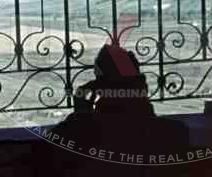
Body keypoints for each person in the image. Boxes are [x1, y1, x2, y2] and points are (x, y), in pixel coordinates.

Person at [50, 44, 189, 157]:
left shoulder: (82, 132)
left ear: (99, 87)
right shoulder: (174, 133)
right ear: (141, 86)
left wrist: (80, 115)